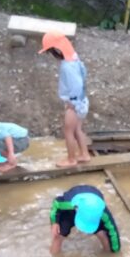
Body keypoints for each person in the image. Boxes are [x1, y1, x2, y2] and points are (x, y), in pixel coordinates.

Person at [39, 32, 91, 168]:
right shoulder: (75, 59)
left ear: (57, 50)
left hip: (75, 103)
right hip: (82, 101)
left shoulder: (67, 67)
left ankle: (71, 159)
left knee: (68, 131)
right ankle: (84, 154)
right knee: (77, 129)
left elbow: (76, 85)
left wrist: (72, 103)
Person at [49, 184, 121, 256]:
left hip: (92, 205)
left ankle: (107, 255)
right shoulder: (69, 203)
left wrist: (115, 251)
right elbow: (56, 204)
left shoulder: (102, 212)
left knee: (102, 233)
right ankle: (54, 255)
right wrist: (54, 222)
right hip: (72, 209)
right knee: (57, 234)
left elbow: (113, 231)